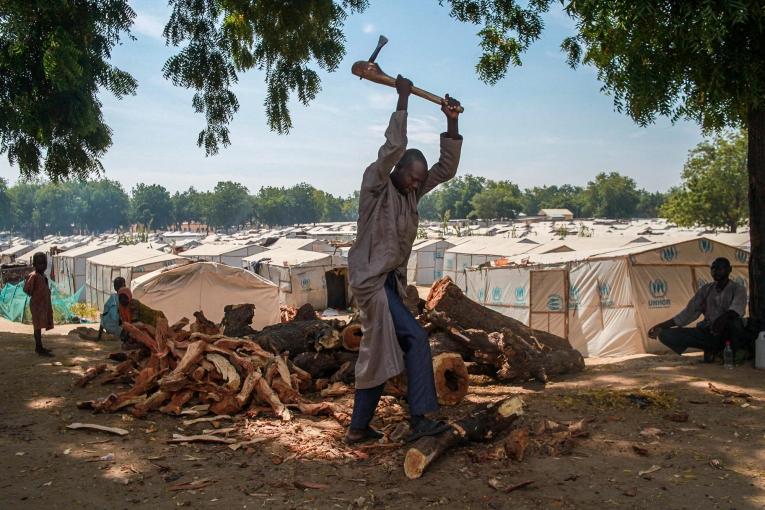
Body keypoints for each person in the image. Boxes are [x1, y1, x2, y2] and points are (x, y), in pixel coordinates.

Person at [346, 68, 463, 444]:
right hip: (370, 283)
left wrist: (451, 122)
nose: (417, 184)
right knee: (413, 336)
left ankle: (359, 429)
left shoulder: (411, 193)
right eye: (412, 177)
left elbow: (445, 170)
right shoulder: (375, 186)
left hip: (390, 284)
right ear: (397, 171)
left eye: (419, 180)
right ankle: (422, 418)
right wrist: (402, 98)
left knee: (382, 349)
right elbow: (392, 148)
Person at [648, 257, 748, 362]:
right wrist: (660, 326)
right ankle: (712, 349)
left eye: (719, 268)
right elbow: (686, 315)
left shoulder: (738, 289)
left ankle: (733, 351)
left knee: (735, 323)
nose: (715, 271)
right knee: (665, 334)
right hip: (708, 332)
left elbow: (736, 311)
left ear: (729, 269)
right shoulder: (706, 290)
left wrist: (720, 320)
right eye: (713, 268)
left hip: (727, 334)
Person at [22, 252, 54, 356]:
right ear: (34, 264)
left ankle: (40, 347)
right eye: (39, 263)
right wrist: (36, 295)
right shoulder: (34, 276)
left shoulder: (43, 275)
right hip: (36, 305)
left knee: (40, 326)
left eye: (44, 263)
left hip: (42, 305)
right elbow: (26, 289)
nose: (42, 266)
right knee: (37, 327)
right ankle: (38, 348)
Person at [98, 277, 126, 341]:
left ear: (115, 287)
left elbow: (104, 316)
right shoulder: (115, 299)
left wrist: (100, 333)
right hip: (117, 328)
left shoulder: (113, 298)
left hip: (110, 327)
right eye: (123, 285)